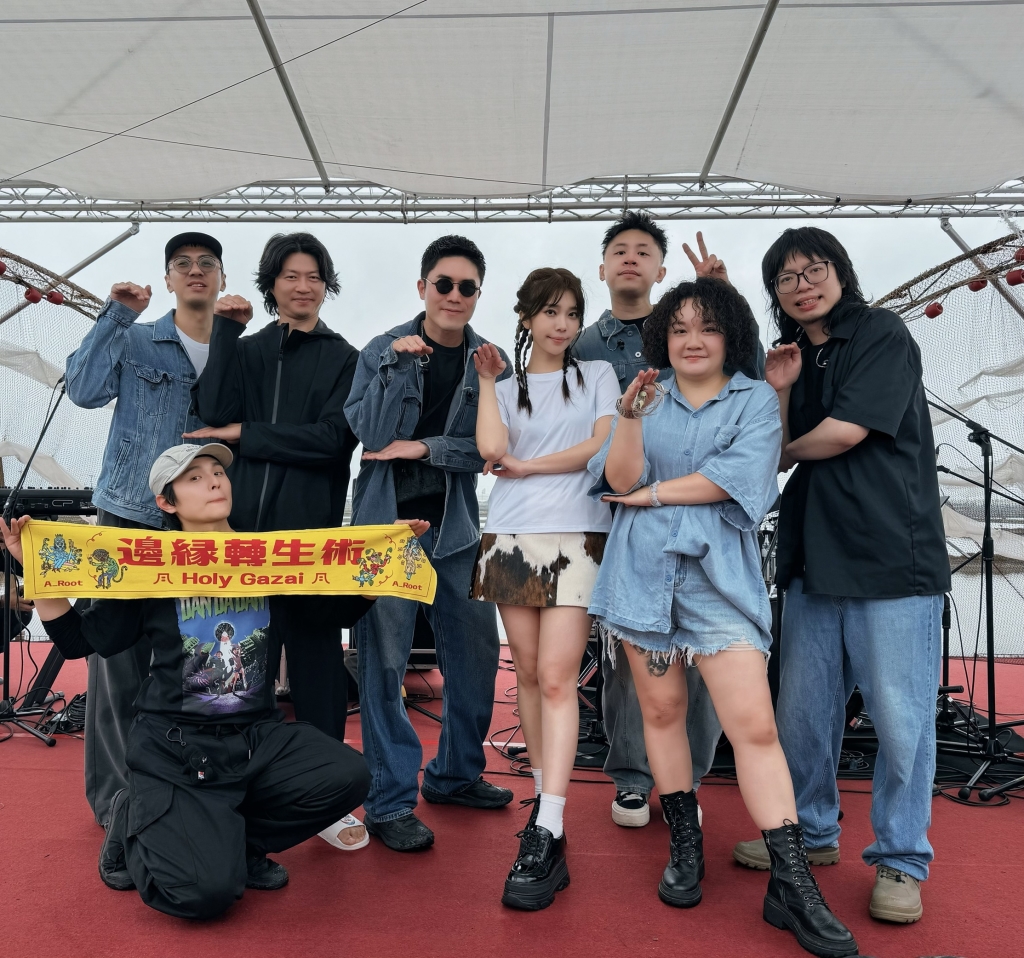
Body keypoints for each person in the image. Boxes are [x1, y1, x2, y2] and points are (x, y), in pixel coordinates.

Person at [0, 444, 421, 920]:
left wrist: (387, 555)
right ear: (167, 502)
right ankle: (132, 818)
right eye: (194, 477)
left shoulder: (270, 556)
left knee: (348, 775)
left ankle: (240, 845)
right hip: (176, 745)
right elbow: (81, 641)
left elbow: (329, 613)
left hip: (256, 737)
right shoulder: (149, 564)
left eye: (217, 471)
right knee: (202, 896)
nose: (214, 480)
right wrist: (35, 569)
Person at [588, 278, 858, 958]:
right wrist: (628, 420)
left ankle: (791, 883)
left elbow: (740, 480)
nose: (692, 340)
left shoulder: (755, 399)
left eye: (707, 327)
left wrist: (652, 496)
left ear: (730, 334)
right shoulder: (643, 392)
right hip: (641, 579)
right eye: (679, 328)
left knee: (754, 726)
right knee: (660, 715)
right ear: (663, 336)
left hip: (719, 584)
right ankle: (685, 843)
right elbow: (616, 481)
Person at [731, 227, 950, 926]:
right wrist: (781, 390)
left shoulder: (881, 333)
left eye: (813, 269)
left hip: (891, 560)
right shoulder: (793, 355)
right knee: (802, 714)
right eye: (785, 278)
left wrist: (780, 453)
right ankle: (810, 832)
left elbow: (844, 432)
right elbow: (774, 440)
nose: (801, 285)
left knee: (901, 720)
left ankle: (901, 858)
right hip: (812, 559)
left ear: (841, 272)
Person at [572, 211, 762, 829]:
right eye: (619, 249)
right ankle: (632, 779)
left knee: (700, 660)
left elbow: (748, 385)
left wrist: (725, 297)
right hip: (615, 511)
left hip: (698, 520)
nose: (631, 258)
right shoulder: (582, 343)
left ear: (660, 269)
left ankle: (689, 782)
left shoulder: (694, 323)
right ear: (603, 268)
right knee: (629, 663)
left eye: (644, 250)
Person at [190, 232, 364, 850]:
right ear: (271, 285)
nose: (302, 286)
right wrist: (224, 333)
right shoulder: (247, 348)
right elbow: (211, 411)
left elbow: (334, 440)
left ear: (326, 285)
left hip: (307, 542)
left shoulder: (346, 358)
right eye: (290, 275)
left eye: (313, 276)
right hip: (239, 542)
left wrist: (249, 434)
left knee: (318, 669)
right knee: (241, 674)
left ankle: (330, 800)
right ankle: (236, 793)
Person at [345, 235, 514, 853]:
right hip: (387, 529)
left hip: (457, 530)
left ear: (478, 295)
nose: (454, 295)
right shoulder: (382, 350)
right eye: (443, 283)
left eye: (467, 287)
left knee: (476, 655)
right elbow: (368, 433)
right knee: (385, 663)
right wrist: (396, 369)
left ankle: (455, 775)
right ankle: (390, 800)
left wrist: (424, 448)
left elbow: (492, 450)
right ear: (423, 287)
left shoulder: (490, 361)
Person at [64, 231, 226, 827]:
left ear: (222, 278)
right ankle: (118, 804)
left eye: (206, 263)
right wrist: (115, 314)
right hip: (129, 515)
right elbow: (83, 390)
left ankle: (189, 793)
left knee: (204, 664)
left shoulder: (235, 346)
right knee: (117, 666)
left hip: (202, 528)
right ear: (168, 279)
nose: (195, 270)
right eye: (182, 263)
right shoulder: (136, 338)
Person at [471, 268, 620, 910]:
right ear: (527, 317)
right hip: (510, 536)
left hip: (578, 535)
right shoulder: (506, 388)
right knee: (529, 674)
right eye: (550, 311)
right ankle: (543, 802)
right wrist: (486, 383)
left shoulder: (599, 376)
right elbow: (490, 448)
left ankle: (551, 821)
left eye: (572, 312)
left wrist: (528, 466)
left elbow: (601, 446)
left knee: (559, 677)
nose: (562, 324)